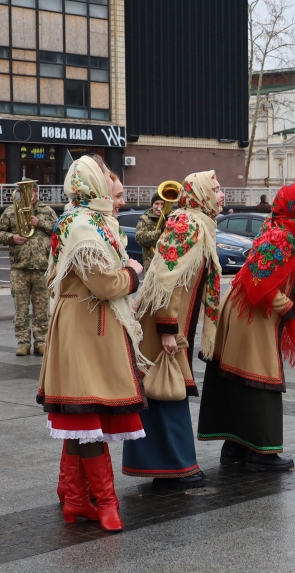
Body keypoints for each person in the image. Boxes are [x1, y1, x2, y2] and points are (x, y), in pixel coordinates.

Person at [38, 155, 146, 532]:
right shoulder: (83, 226)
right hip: (86, 328)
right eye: (104, 178)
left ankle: (75, 498)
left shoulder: (84, 220)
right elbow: (103, 285)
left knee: (80, 420)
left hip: (86, 327)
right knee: (86, 418)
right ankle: (106, 505)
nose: (112, 189)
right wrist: (132, 273)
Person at [198, 183, 295, 470]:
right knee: (260, 377)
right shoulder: (281, 237)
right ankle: (262, 454)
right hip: (250, 313)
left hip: (246, 310)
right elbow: (259, 282)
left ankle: (236, 448)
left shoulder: (285, 231)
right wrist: (292, 309)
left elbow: (281, 277)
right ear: (293, 207)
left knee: (240, 377)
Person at [122, 171, 224, 489]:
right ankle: (176, 469)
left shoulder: (196, 222)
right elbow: (169, 279)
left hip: (172, 320)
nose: (222, 195)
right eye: (217, 190)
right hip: (164, 322)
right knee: (167, 391)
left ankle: (166, 466)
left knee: (162, 392)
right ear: (202, 194)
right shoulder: (188, 224)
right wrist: (168, 328)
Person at [0, 182, 57, 356]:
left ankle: (41, 341)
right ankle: (23, 342)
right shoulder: (11, 211)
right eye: (28, 190)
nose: (32, 193)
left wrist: (40, 223)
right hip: (19, 267)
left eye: (34, 190)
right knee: (21, 309)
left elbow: (59, 231)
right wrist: (12, 237)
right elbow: (0, 233)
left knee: (41, 308)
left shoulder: (47, 211)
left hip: (41, 268)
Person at [135, 194, 165, 273]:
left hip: (167, 263)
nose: (159, 207)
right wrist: (160, 233)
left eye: (162, 204)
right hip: (151, 264)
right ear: (152, 205)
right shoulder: (144, 218)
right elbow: (139, 237)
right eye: (156, 204)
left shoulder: (170, 218)